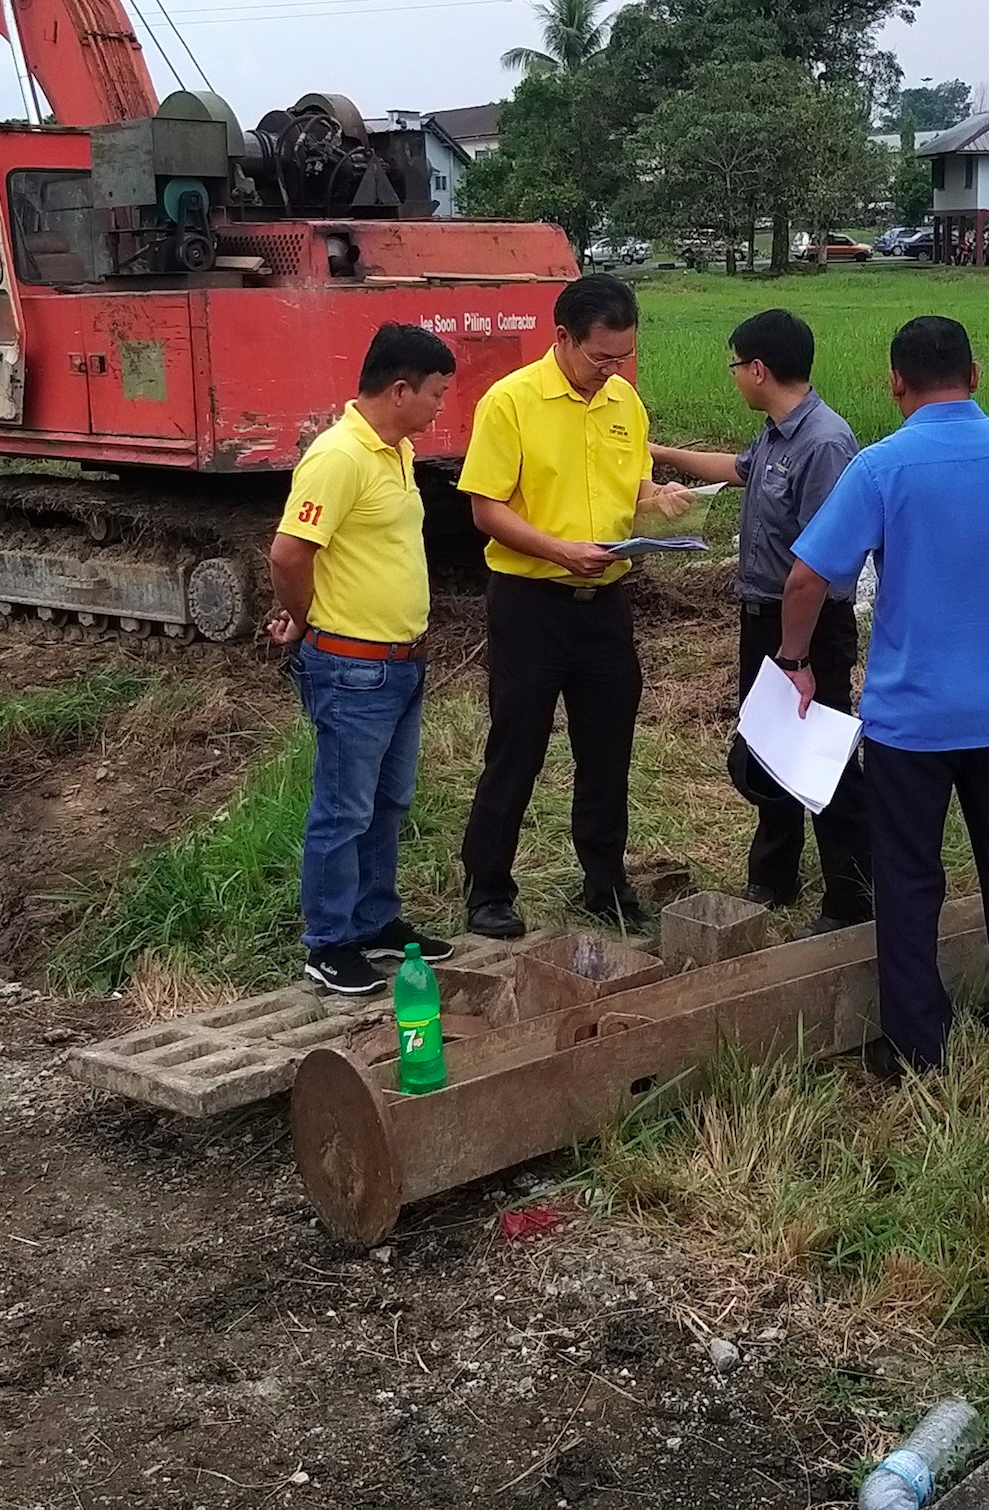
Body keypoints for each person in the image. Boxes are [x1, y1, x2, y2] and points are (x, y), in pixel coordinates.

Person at [778, 315, 989, 1071]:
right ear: (975, 375)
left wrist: (794, 658)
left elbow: (806, 578)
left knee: (908, 875)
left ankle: (915, 1042)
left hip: (912, 720)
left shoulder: (882, 468)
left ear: (895, 382)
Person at [455, 274, 695, 938]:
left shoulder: (623, 402)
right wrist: (558, 551)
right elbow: (486, 508)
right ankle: (488, 889)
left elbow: (632, 484)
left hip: (605, 606)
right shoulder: (511, 402)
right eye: (600, 357)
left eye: (623, 356)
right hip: (530, 604)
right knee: (517, 748)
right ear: (562, 337)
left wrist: (660, 499)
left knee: (607, 748)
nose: (612, 369)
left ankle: (604, 882)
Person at [650, 309, 873, 934]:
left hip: (806, 623)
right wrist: (658, 452)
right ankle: (774, 876)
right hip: (763, 616)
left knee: (821, 757)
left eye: (734, 366)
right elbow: (736, 470)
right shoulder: (778, 433)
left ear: (757, 369)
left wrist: (795, 653)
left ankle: (852, 895)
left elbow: (819, 564)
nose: (733, 377)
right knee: (770, 746)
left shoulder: (824, 443)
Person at [267, 323, 462, 997]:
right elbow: (289, 553)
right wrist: (302, 617)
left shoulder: (396, 450)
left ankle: (375, 921)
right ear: (400, 390)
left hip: (401, 663)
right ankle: (328, 942)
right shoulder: (339, 457)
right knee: (343, 809)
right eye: (436, 393)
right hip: (353, 668)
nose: (441, 406)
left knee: (388, 802)